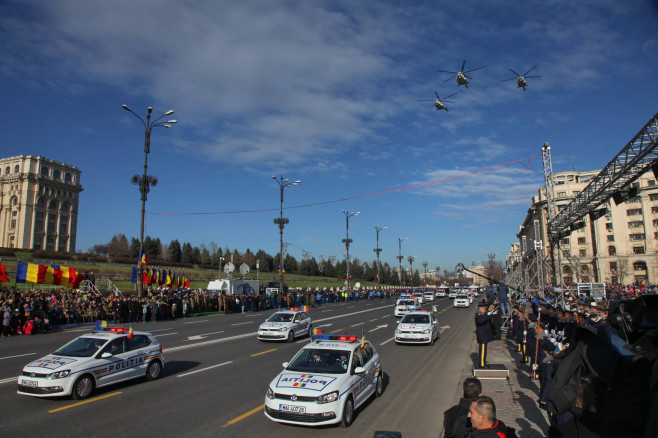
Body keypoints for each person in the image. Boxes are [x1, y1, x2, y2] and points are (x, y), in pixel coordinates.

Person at [475, 302, 495, 369]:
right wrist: (488, 316)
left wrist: (491, 314)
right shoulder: (478, 314)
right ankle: (482, 364)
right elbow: (481, 321)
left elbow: (486, 317)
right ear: (481, 309)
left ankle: (483, 362)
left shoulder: (483, 314)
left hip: (485, 335)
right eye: (484, 309)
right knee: (483, 350)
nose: (485, 310)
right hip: (482, 335)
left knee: (484, 350)